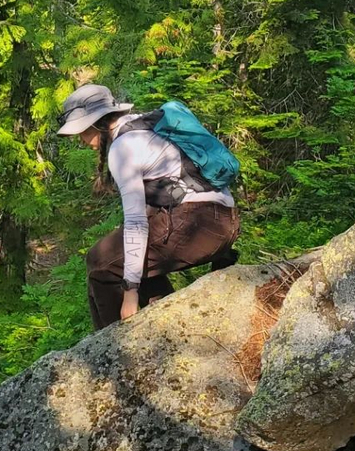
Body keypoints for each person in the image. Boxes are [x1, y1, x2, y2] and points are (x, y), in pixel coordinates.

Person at [58, 83, 240, 330]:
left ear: (96, 123)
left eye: (80, 131)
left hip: (199, 225)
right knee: (121, 256)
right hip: (223, 221)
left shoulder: (123, 148)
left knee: (101, 266)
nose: (79, 140)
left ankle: (114, 348)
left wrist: (130, 292)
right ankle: (168, 326)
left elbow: (136, 222)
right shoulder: (147, 126)